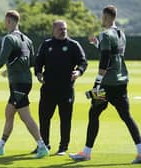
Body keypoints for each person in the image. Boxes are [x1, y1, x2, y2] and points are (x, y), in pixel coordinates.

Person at [69, 5, 141, 164]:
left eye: (102, 17)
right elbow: (113, 53)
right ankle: (140, 151)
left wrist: (97, 83)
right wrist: (97, 44)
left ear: (107, 17)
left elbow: (105, 59)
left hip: (106, 85)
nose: (101, 20)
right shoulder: (121, 34)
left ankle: (86, 153)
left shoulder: (105, 34)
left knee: (94, 113)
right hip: (121, 82)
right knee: (126, 116)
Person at [0, 10, 49, 158]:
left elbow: (2, 58)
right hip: (25, 81)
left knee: (25, 116)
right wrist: (8, 70)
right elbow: (29, 62)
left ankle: (42, 146)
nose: (5, 24)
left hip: (18, 83)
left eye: (5, 21)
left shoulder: (9, 38)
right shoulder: (27, 40)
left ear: (9, 21)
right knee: (9, 113)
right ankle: (0, 146)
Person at [33, 20, 88, 156]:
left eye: (65, 29)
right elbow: (38, 62)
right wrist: (38, 73)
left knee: (65, 119)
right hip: (48, 88)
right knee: (44, 118)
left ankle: (63, 147)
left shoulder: (73, 45)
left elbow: (83, 61)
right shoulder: (46, 45)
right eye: (60, 29)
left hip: (66, 89)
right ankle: (44, 145)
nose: (63, 31)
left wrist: (79, 71)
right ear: (53, 30)